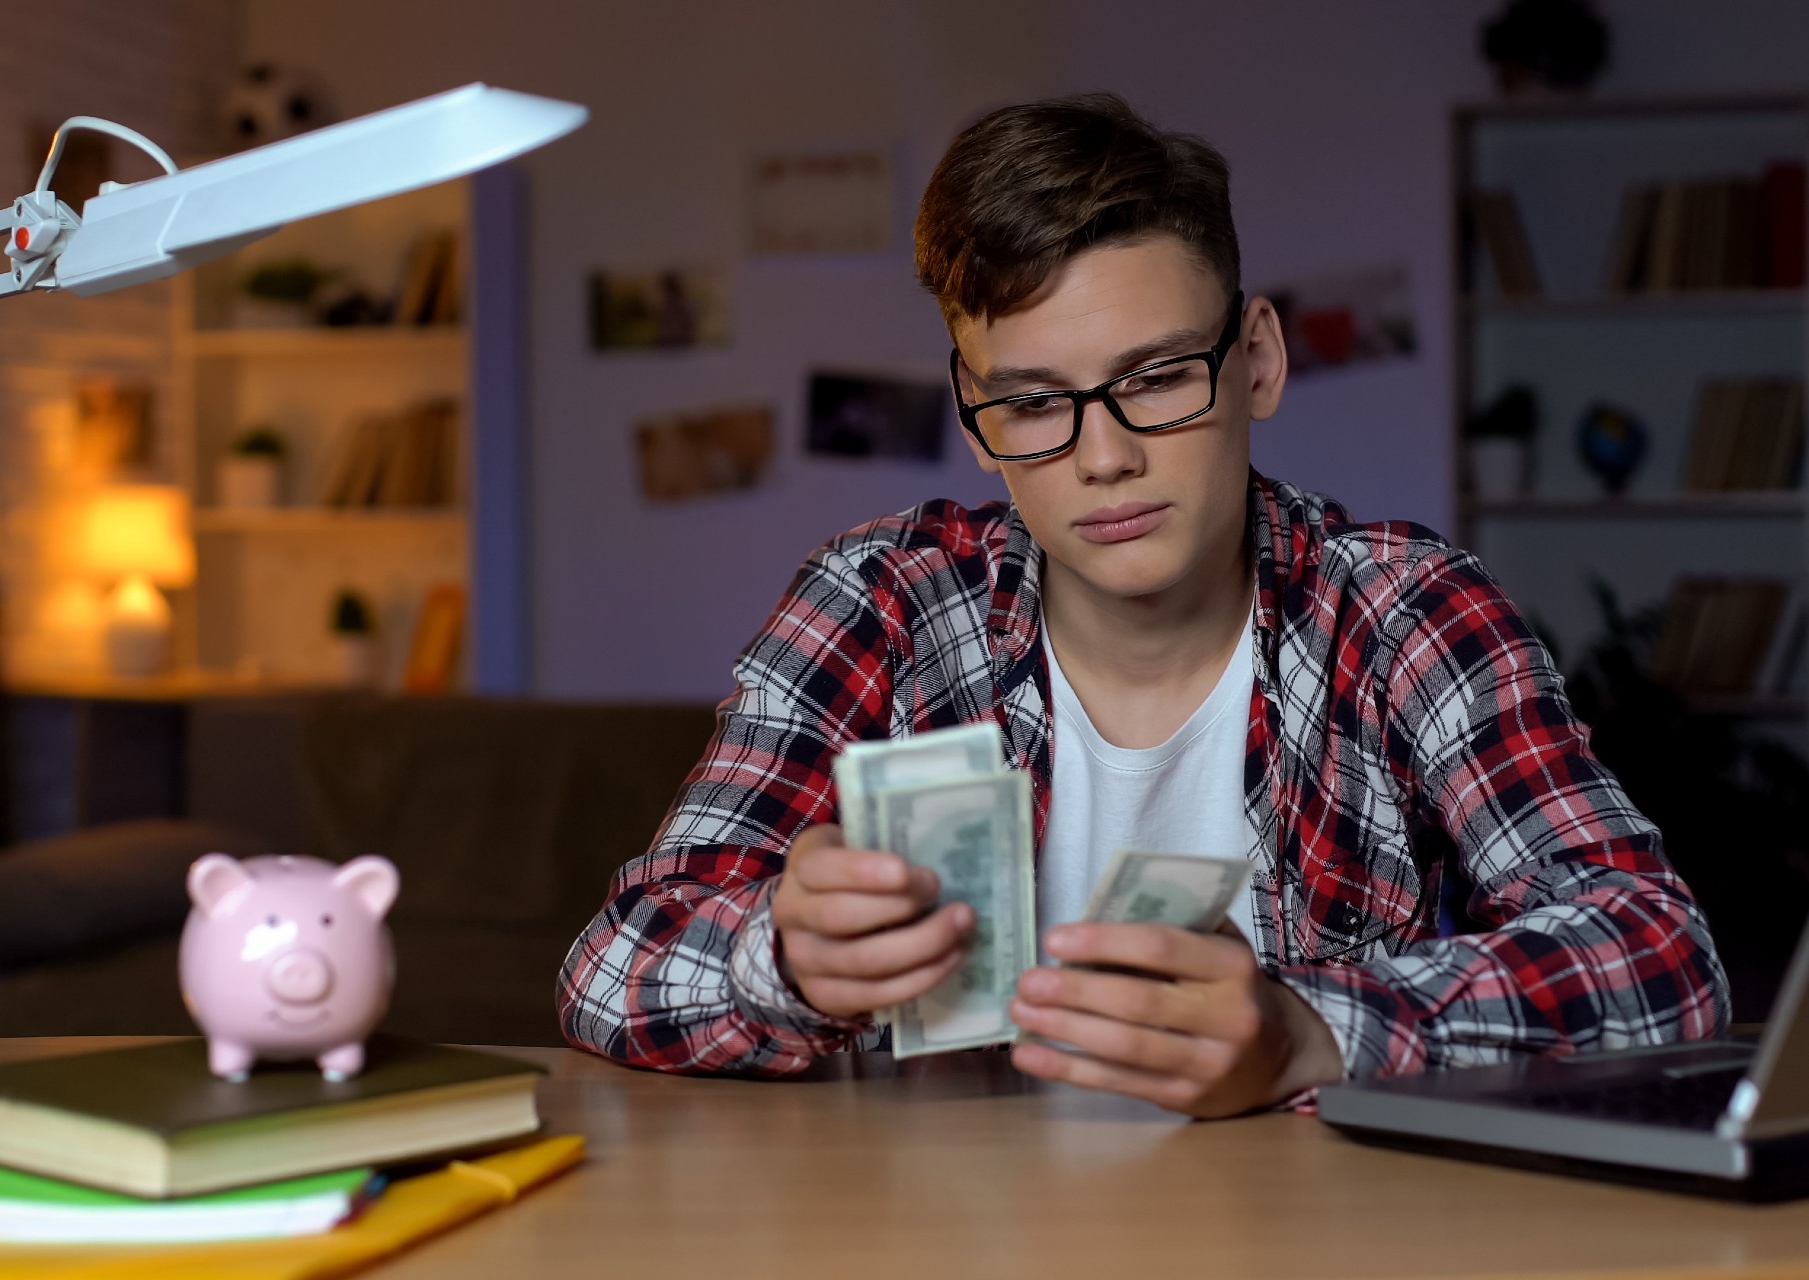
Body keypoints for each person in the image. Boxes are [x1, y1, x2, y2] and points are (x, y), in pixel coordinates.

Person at [558, 93, 1727, 1117]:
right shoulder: (882, 602)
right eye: (1032, 403)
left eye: (1158, 377)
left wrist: (1307, 1031)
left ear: (1257, 359)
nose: (1102, 458)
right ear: (973, 418)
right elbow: (608, 968)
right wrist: (782, 959)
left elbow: (1661, 955)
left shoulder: (1403, 606)